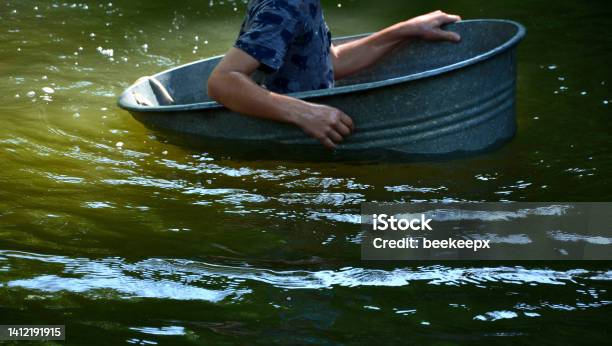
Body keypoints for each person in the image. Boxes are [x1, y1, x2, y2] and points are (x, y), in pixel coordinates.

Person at [207, 1, 462, 149]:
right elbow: (222, 80)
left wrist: (404, 30)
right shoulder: (284, 5)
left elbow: (327, 62)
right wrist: (305, 113)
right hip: (286, 146)